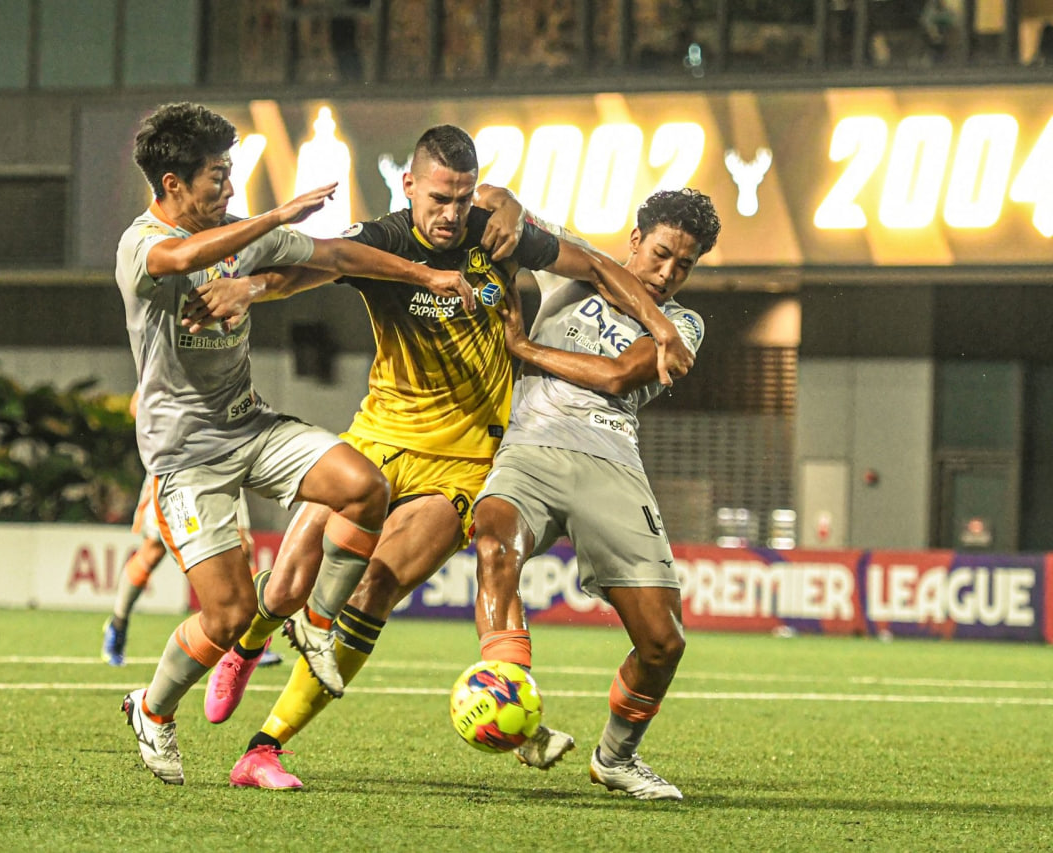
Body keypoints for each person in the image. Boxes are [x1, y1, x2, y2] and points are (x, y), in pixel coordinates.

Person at [186, 124, 693, 789]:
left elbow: (593, 263)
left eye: (462, 199)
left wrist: (657, 323)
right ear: (410, 185)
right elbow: (320, 264)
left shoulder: (496, 234)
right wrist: (247, 290)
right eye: (439, 199)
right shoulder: (389, 238)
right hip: (377, 439)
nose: (451, 214)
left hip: (464, 460)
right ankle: (249, 645)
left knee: (375, 589)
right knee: (283, 587)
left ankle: (265, 747)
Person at [115, 102, 473, 786]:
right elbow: (184, 257)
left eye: (231, 173)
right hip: (185, 455)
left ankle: (314, 621)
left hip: (248, 424)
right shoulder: (141, 244)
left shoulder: (237, 234)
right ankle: (153, 709)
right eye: (216, 176)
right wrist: (276, 218)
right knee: (228, 614)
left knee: (364, 487)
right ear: (172, 184)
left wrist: (425, 275)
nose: (227, 187)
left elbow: (340, 255)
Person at [472, 188, 720, 800]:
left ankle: (616, 758)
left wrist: (523, 349)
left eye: (684, 265)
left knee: (663, 643)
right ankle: (517, 710)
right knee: (494, 538)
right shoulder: (572, 267)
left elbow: (614, 378)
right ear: (635, 240)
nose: (668, 273)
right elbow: (491, 198)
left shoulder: (683, 326)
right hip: (530, 448)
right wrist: (504, 210)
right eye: (661, 254)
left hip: (610, 459)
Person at [100, 388, 281, 669]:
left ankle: (249, 642)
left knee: (243, 549)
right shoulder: (174, 359)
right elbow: (138, 406)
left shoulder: (230, 351)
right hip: (178, 469)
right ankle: (118, 623)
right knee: (153, 551)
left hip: (225, 466)